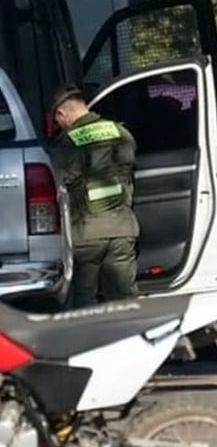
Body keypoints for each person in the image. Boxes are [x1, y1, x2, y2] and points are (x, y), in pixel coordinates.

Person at [48, 85, 140, 309]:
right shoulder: (121, 133)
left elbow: (56, 183)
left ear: (62, 114)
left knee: (83, 306)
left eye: (57, 121)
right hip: (122, 230)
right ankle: (130, 341)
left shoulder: (66, 144)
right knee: (124, 301)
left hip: (86, 235)